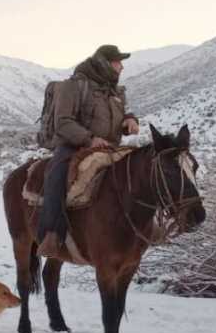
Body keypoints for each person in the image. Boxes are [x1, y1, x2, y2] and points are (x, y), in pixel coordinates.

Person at [36, 45, 139, 257]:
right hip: (75, 146)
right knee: (56, 176)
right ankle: (52, 235)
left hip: (110, 148)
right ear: (105, 63)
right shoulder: (74, 86)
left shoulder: (115, 91)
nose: (121, 67)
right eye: (118, 62)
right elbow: (63, 122)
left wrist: (130, 120)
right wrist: (90, 139)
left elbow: (119, 116)